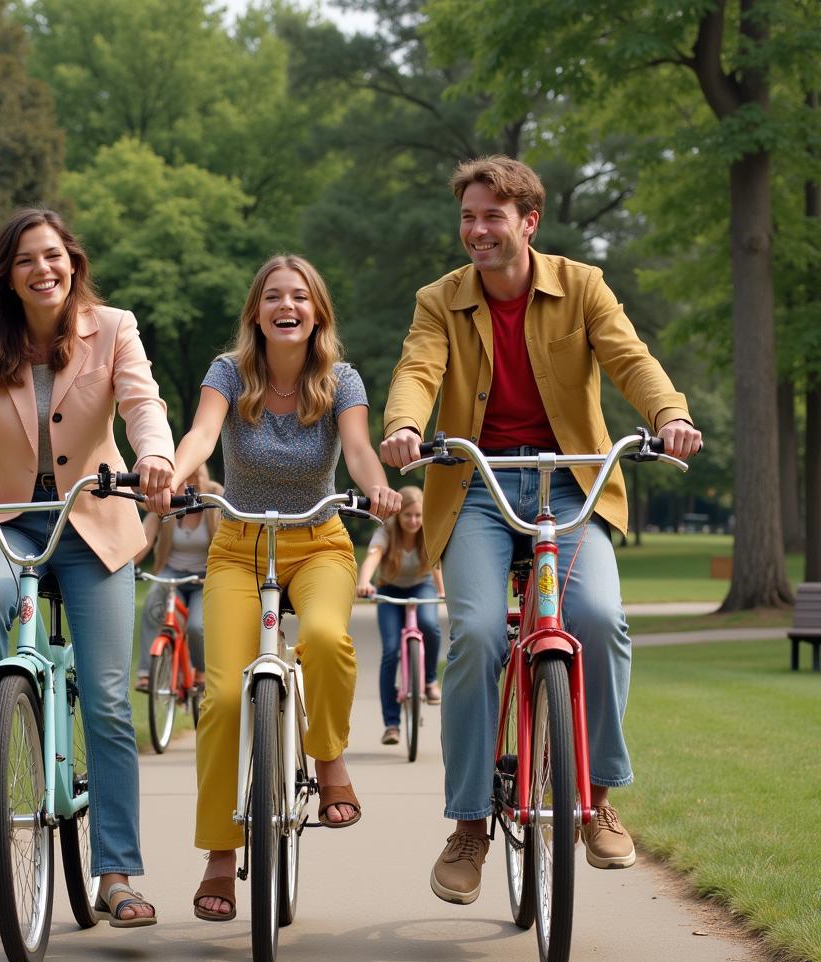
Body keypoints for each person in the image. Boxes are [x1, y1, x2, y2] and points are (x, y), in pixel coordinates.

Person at [380, 156, 702, 906]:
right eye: (468, 216)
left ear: (529, 221)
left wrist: (669, 415)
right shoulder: (441, 300)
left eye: (492, 215)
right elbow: (418, 371)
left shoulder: (582, 285)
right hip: (478, 488)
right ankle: (468, 826)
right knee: (476, 632)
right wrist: (403, 427)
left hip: (571, 484)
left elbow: (629, 358)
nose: (477, 230)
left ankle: (594, 796)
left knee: (598, 619)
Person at [0, 207, 174, 927]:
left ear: (72, 262)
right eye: (26, 260)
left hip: (95, 516)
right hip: (5, 516)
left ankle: (117, 874)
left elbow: (142, 402)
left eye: (53, 255)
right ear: (8, 275)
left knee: (110, 698)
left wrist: (154, 457)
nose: (42, 269)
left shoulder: (114, 328)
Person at [169, 254, 400, 921]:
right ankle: (219, 856)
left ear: (316, 311)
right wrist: (178, 472)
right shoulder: (228, 372)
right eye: (273, 296)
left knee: (327, 638)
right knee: (220, 698)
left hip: (318, 541)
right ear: (257, 312)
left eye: (299, 296)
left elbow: (357, 449)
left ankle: (328, 761)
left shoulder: (342, 380)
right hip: (238, 547)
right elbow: (203, 433)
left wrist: (375, 485)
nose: (286, 305)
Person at [356, 484, 445, 744]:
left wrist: (441, 591)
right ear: (398, 515)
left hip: (422, 585)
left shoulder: (427, 531)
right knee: (391, 651)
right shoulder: (386, 531)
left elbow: (435, 564)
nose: (414, 521)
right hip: (389, 589)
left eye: (418, 515)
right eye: (408, 515)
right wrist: (365, 581)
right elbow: (373, 557)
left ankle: (429, 680)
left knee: (430, 624)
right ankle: (392, 724)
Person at [133, 464, 221, 693]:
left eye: (193, 478)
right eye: (184, 478)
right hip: (171, 571)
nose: (187, 485)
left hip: (203, 575)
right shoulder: (168, 498)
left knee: (196, 626)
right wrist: (125, 566)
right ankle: (146, 673)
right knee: (152, 604)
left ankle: (200, 671)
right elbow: (145, 538)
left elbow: (225, 533)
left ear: (202, 477)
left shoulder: (214, 498)